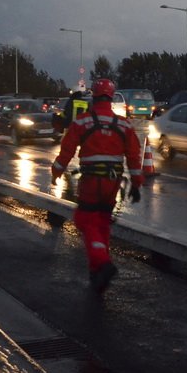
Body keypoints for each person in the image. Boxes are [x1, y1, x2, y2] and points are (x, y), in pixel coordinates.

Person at [51, 78, 143, 294]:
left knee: (85, 219)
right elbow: (134, 157)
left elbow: (66, 151)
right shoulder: (124, 124)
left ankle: (102, 263)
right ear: (111, 97)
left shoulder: (82, 122)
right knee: (102, 223)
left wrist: (56, 172)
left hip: (91, 181)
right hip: (113, 182)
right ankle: (97, 274)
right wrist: (137, 184)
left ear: (94, 96)